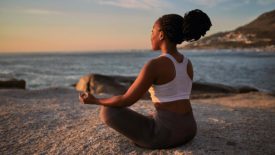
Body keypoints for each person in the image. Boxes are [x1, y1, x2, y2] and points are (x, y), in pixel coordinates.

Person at [79, 9, 212, 149]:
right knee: (150, 115)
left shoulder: (155, 65)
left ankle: (150, 137)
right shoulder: (187, 63)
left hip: (167, 134)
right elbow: (174, 98)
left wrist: (95, 100)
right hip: (190, 129)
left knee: (108, 110)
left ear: (161, 35)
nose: (151, 35)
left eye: (152, 31)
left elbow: (127, 100)